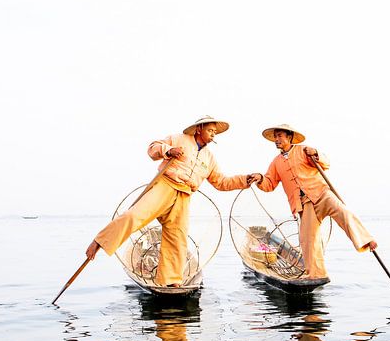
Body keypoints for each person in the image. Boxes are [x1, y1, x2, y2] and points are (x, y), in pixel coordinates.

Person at [85, 116, 262, 286]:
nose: (213, 134)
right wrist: (169, 151)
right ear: (199, 129)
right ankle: (100, 241)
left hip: (184, 195)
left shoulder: (209, 158)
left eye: (215, 132)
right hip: (165, 185)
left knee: (177, 238)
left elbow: (222, 182)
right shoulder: (179, 139)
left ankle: (170, 281)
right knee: (134, 216)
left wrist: (245, 180)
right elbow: (153, 148)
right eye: (210, 130)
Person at [254, 124, 376, 279]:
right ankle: (316, 274)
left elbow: (325, 163)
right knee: (308, 240)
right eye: (275, 137)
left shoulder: (303, 150)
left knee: (343, 212)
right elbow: (269, 184)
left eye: (280, 136)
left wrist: (316, 153)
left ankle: (366, 240)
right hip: (304, 204)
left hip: (321, 193)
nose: (276, 140)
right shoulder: (276, 162)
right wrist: (260, 178)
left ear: (289, 137)